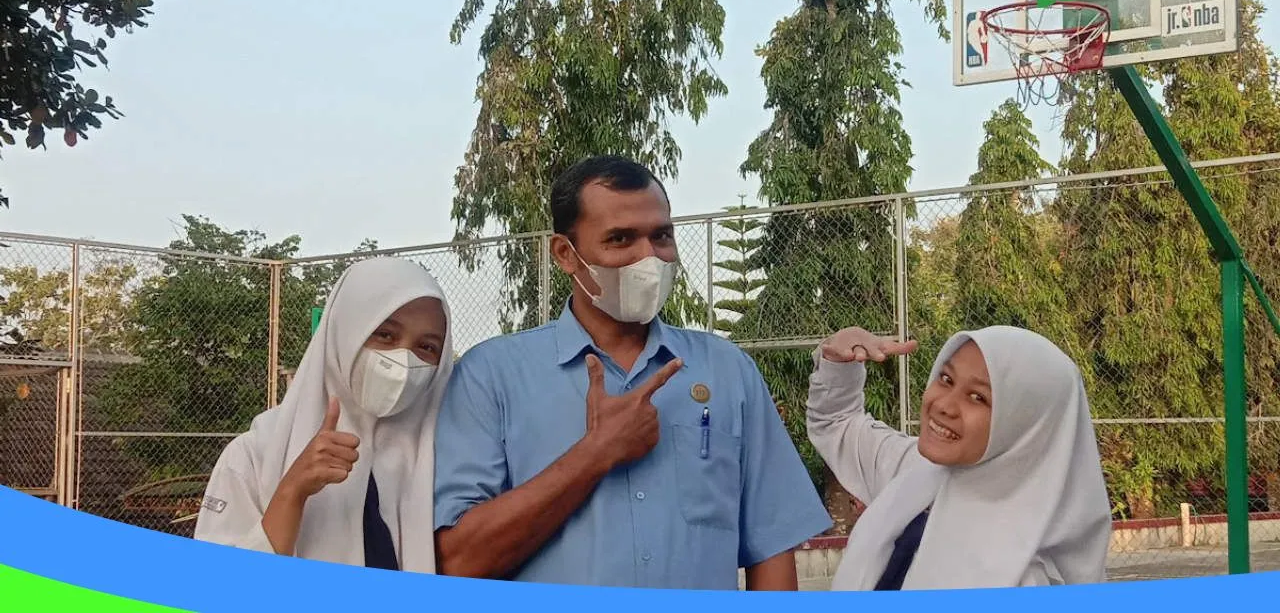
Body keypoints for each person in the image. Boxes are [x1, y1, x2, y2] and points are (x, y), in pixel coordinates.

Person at [432, 155, 833, 590]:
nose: (650, 258)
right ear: (566, 254)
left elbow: (770, 545)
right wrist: (597, 452)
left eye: (661, 236)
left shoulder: (727, 371)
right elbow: (458, 560)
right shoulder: (491, 376)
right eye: (621, 239)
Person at [193, 256, 455, 573]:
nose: (403, 359)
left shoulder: (447, 457)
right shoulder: (256, 454)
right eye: (385, 334)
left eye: (427, 347)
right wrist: (292, 491)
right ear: (343, 332)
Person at [808, 324, 1111, 590]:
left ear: (1026, 425)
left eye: (978, 397)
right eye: (946, 379)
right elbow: (837, 423)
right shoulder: (919, 475)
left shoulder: (1026, 574)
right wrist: (839, 365)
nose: (944, 405)